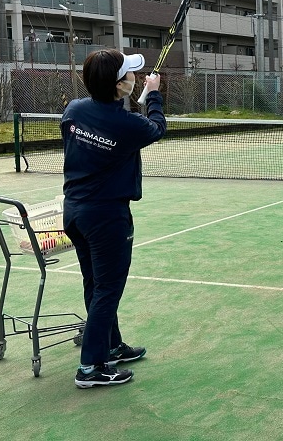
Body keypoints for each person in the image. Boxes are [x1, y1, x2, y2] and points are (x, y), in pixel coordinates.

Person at [61, 49, 166, 388]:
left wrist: (141, 97)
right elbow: (155, 129)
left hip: (75, 212)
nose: (136, 76)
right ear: (120, 85)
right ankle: (91, 368)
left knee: (95, 286)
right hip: (106, 216)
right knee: (107, 290)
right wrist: (154, 96)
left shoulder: (73, 111)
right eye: (131, 74)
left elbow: (116, 126)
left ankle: (110, 345)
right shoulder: (127, 123)